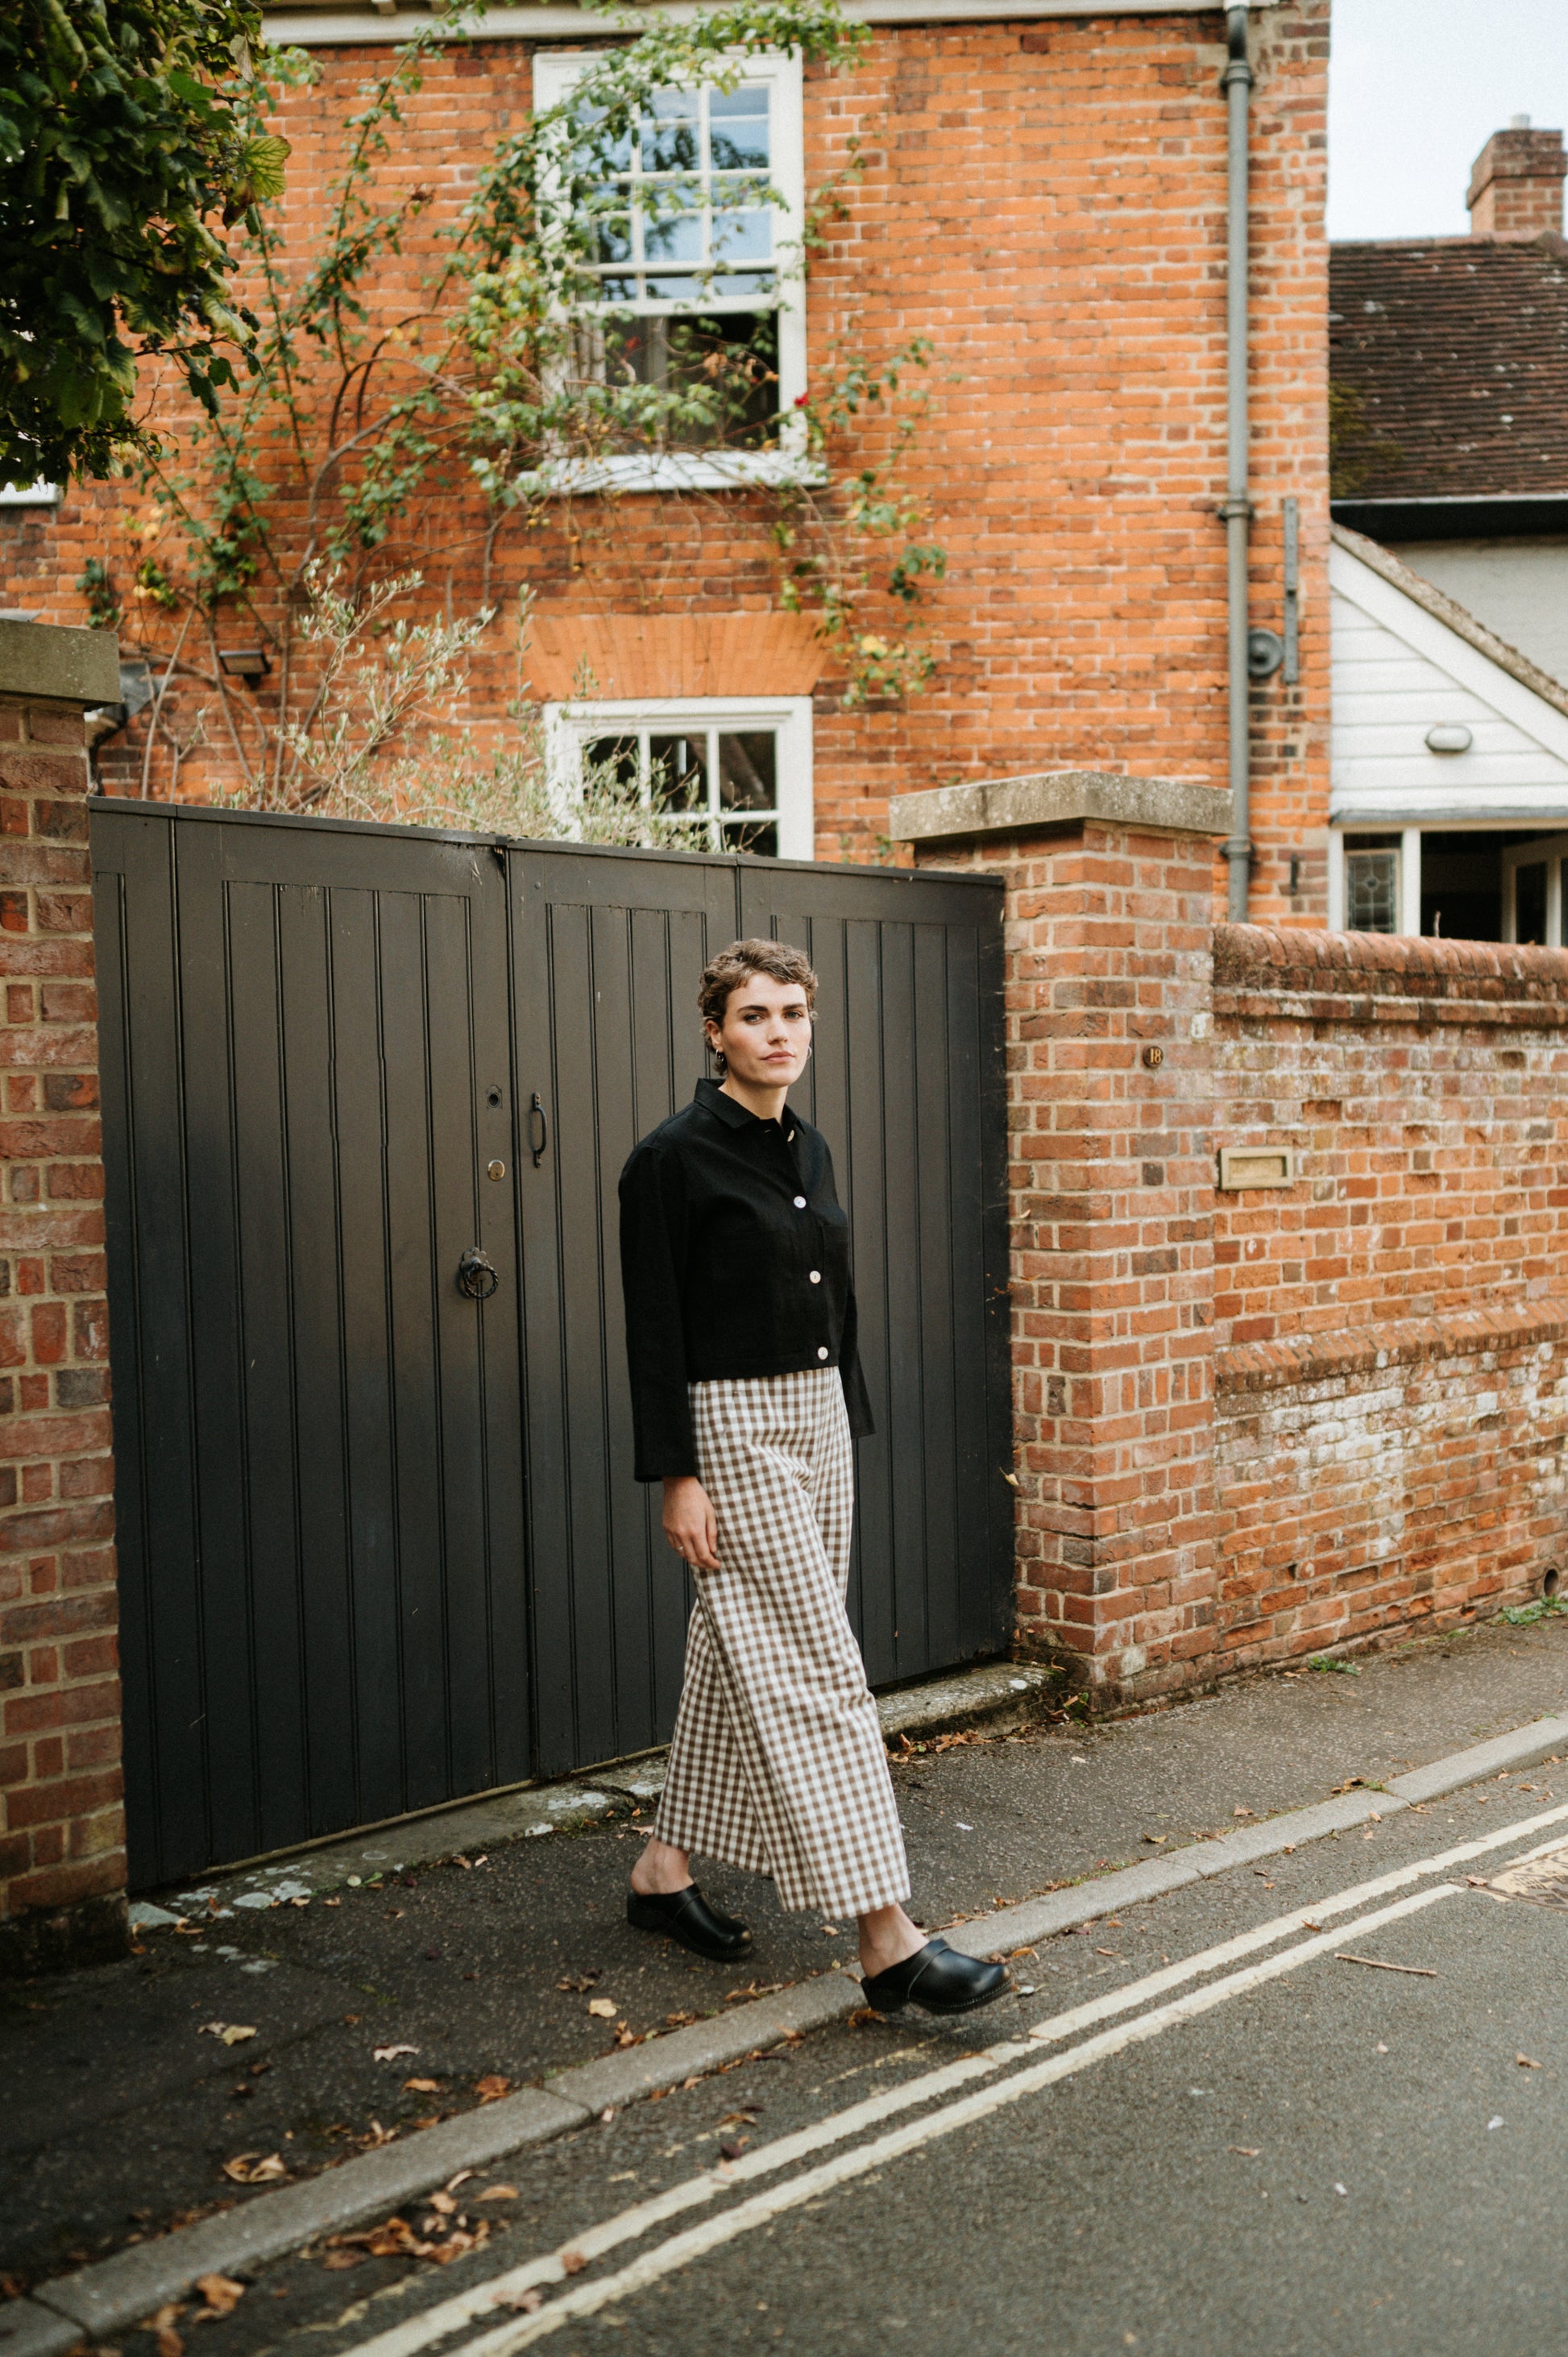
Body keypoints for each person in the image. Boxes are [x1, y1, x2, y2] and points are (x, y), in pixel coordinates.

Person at [616, 937, 1009, 2019]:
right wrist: (676, 1475)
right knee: (817, 1668)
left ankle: (662, 1868)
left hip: (819, 1416)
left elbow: (828, 1293)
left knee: (739, 1644)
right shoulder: (669, 1159)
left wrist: (844, 1409)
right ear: (714, 1031)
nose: (778, 1030)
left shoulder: (809, 1147)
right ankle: (888, 1936)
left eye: (793, 1012)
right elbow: (654, 1330)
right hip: (731, 1423)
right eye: (754, 1015)